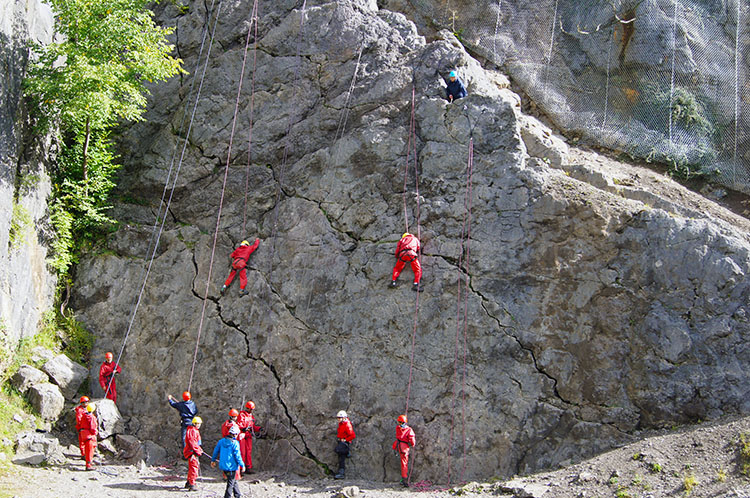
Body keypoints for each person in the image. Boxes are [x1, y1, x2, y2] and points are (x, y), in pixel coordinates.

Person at [211, 425, 246, 498]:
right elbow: (238, 456)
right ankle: (227, 496)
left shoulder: (221, 441)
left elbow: (215, 451)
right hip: (231, 466)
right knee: (230, 483)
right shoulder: (235, 443)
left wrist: (213, 460)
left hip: (223, 465)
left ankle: (237, 495)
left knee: (233, 480)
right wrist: (242, 465)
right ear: (235, 434)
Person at [238, 401, 262, 475]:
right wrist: (243, 428)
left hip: (248, 435)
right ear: (247, 408)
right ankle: (241, 469)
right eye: (250, 409)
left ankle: (248, 467)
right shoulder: (242, 415)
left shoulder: (251, 416)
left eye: (252, 409)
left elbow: (253, 427)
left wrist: (259, 429)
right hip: (242, 434)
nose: (251, 410)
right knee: (242, 452)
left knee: (248, 452)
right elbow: (239, 425)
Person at [392, 414, 416, 487]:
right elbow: (412, 440)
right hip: (404, 447)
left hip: (398, 446)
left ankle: (403, 479)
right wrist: (412, 444)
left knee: (403, 463)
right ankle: (405, 480)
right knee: (404, 463)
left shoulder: (397, 428)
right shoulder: (409, 429)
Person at [334, 410, 356, 480]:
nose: (338, 419)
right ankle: (341, 472)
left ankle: (341, 473)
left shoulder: (347, 425)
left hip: (344, 443)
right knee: (340, 456)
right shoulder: (342, 424)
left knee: (340, 454)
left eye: (339, 418)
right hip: (341, 441)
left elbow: (352, 435)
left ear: (343, 418)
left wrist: (346, 440)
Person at [184, 416, 203, 491]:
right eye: (197, 423)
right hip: (192, 452)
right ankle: (192, 484)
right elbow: (193, 443)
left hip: (192, 451)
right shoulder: (193, 431)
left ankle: (189, 482)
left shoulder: (192, 430)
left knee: (192, 467)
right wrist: (198, 451)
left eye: (199, 423)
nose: (198, 425)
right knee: (194, 468)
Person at [78, 402, 98, 470]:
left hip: (83, 434)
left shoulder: (84, 415)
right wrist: (95, 432)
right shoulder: (91, 417)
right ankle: (88, 465)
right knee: (90, 450)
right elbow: (93, 428)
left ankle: (88, 463)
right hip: (89, 436)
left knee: (87, 450)